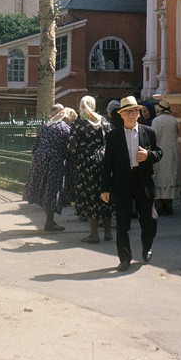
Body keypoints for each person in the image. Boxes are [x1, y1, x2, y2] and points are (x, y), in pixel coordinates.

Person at [101, 95, 163, 272]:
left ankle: (146, 247)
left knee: (150, 218)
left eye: (134, 111)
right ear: (121, 115)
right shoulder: (113, 136)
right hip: (122, 181)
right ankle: (125, 258)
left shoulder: (148, 132)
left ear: (138, 114)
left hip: (142, 179)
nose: (131, 114)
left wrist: (148, 155)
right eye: (127, 111)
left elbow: (159, 152)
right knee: (122, 221)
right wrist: (105, 188)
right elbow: (108, 163)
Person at [23, 107, 77, 231]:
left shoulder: (46, 126)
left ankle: (49, 221)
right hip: (54, 160)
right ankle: (49, 222)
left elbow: (35, 144)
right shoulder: (65, 128)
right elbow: (70, 148)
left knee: (44, 188)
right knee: (52, 189)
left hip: (40, 158)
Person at [67, 96, 113, 244]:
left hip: (86, 163)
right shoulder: (103, 120)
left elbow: (72, 146)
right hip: (104, 160)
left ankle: (94, 234)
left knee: (90, 196)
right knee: (105, 193)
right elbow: (111, 139)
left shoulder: (80, 122)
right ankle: (107, 232)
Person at [151, 98, 180, 215]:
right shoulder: (173, 120)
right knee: (171, 176)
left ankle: (159, 205)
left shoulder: (156, 121)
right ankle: (169, 205)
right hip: (172, 152)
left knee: (159, 177)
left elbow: (153, 137)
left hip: (159, 153)